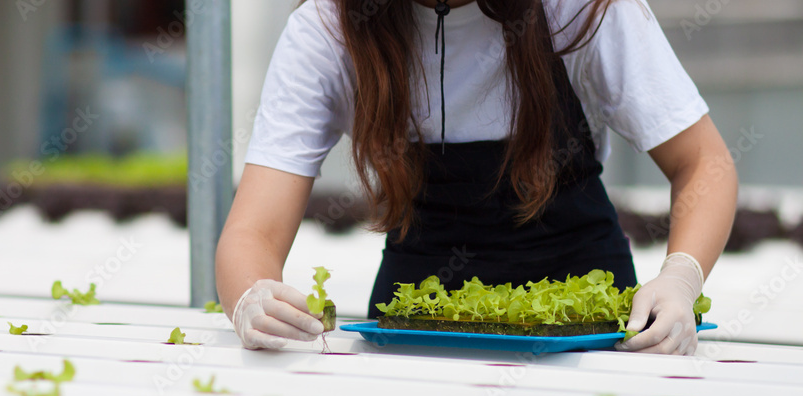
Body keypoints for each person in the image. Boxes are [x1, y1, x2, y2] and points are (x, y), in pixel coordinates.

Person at [215, 0, 737, 355]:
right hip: (415, 333)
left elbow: (702, 164)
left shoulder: (577, 9)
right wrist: (251, 299)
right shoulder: (330, 26)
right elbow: (252, 232)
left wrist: (680, 278)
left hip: (587, 334)